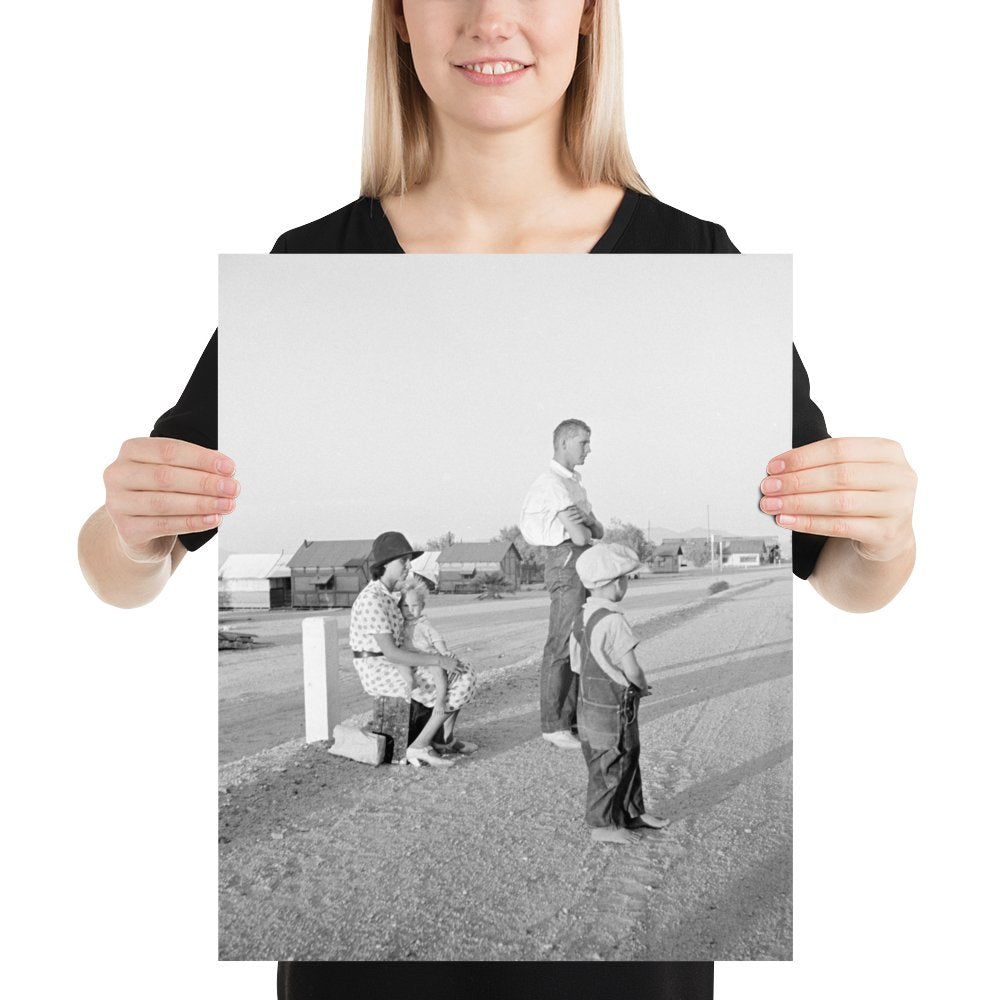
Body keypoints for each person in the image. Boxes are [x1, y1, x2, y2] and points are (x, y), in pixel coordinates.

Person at [77, 1, 916, 996]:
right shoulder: (302, 262)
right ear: (397, 18)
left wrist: (886, 534)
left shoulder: (702, 258)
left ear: (591, 16)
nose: (491, 17)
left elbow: (846, 575)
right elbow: (119, 572)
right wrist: (130, 532)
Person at [349, 531, 475, 768]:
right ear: (385, 564)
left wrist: (439, 654)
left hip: (398, 663)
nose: (409, 566)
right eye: (403, 561)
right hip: (381, 669)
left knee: (461, 669)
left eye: (409, 560)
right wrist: (438, 661)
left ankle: (443, 740)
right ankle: (420, 745)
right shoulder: (372, 599)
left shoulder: (389, 595)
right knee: (462, 678)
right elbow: (391, 652)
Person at [571, 543, 669, 845]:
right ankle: (602, 825)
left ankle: (631, 812)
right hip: (614, 708)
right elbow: (632, 669)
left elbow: (576, 663)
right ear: (615, 583)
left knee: (615, 760)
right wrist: (640, 686)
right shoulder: (614, 621)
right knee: (615, 763)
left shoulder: (581, 616)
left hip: (588, 706)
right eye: (626, 578)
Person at [519, 418, 603, 749]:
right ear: (564, 442)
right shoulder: (552, 484)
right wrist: (586, 524)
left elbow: (598, 530)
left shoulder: (573, 484)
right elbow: (582, 534)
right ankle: (553, 725)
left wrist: (587, 522)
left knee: (578, 642)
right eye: (583, 442)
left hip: (579, 558)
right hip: (565, 558)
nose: (588, 449)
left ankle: (570, 719)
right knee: (561, 641)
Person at [400, 579, 479, 755]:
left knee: (444, 670)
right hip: (410, 660)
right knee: (411, 669)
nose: (410, 610)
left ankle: (440, 706)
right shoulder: (399, 623)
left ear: (422, 606)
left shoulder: (423, 624)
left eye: (414, 606)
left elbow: (436, 638)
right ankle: (441, 739)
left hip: (427, 657)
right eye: (405, 606)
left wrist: (443, 652)